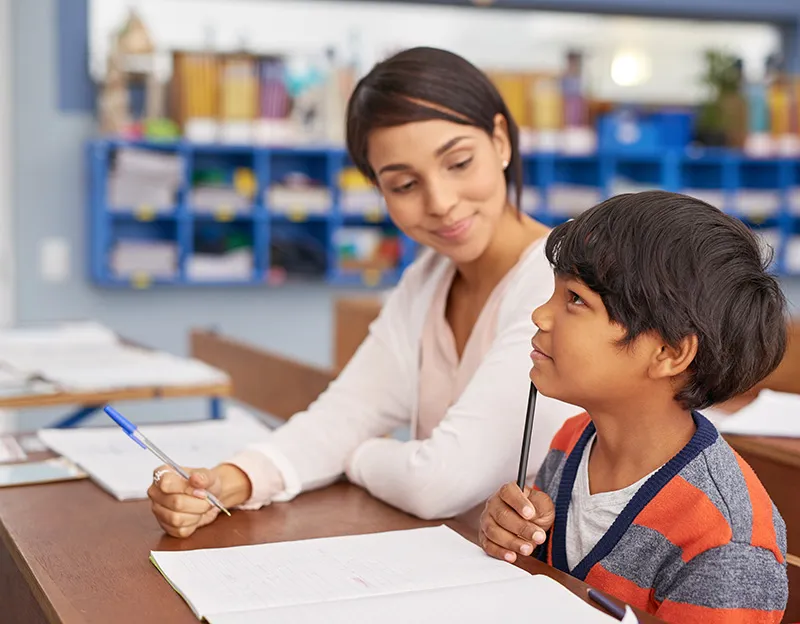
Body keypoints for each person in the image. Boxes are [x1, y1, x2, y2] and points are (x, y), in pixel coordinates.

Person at [148, 47, 581, 538]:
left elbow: (437, 484)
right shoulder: (429, 278)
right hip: (451, 560)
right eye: (403, 184)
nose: (440, 202)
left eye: (458, 162)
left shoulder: (558, 286)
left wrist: (356, 453)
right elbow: (350, 411)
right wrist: (229, 482)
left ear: (500, 141)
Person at [478, 191, 789, 623]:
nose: (539, 315)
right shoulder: (574, 439)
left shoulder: (726, 545)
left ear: (667, 352)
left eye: (575, 300)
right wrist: (511, 534)